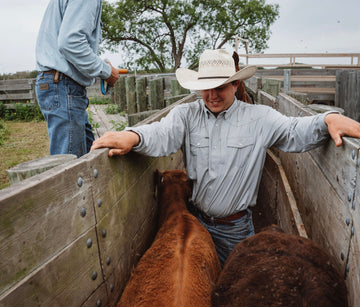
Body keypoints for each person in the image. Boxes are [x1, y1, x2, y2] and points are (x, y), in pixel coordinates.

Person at [91, 49, 360, 266]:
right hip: (197, 222)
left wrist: (328, 119)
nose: (212, 95)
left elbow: (293, 130)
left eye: (220, 86)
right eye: (206, 87)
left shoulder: (259, 118)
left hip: (236, 231)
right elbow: (163, 133)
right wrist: (133, 136)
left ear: (235, 83)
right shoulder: (187, 115)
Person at [35, 0, 119, 158]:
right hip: (63, 84)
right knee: (70, 170)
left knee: (85, 161)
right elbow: (71, 43)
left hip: (57, 82)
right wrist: (106, 71)